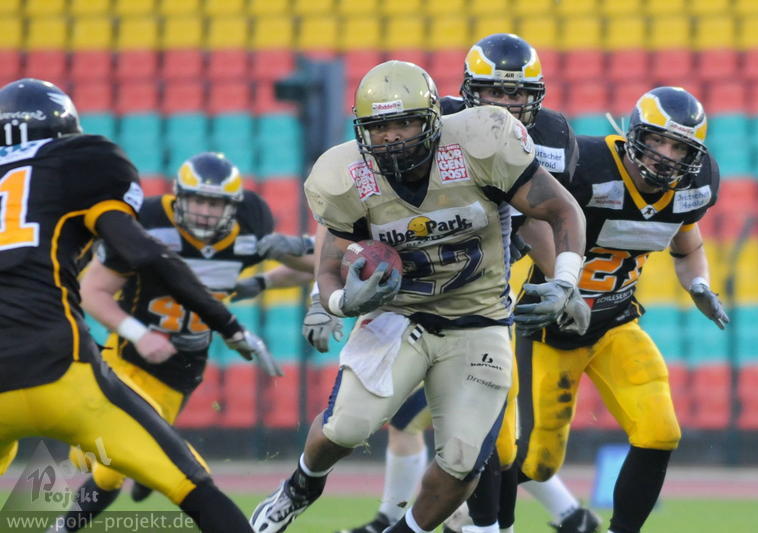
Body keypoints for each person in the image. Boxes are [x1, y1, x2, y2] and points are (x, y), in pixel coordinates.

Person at [250, 60, 588, 533]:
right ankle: (300, 487)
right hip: (398, 313)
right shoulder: (344, 173)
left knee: (463, 462)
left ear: (432, 119)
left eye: (405, 123)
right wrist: (339, 304)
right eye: (380, 127)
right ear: (362, 130)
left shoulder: (481, 141)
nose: (392, 138)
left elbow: (560, 210)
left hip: (479, 318)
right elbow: (328, 264)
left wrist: (566, 282)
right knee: (346, 427)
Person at [0, 79, 266, 532]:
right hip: (60, 370)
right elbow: (144, 253)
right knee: (192, 483)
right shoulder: (81, 159)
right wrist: (227, 324)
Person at [53, 151, 314, 530]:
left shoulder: (248, 232)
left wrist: (263, 281)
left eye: (216, 203)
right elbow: (93, 291)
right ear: (179, 198)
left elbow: (319, 262)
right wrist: (139, 334)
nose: (206, 212)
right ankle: (66, 525)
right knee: (106, 464)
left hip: (183, 370)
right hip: (128, 360)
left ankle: (141, 472)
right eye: (198, 200)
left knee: (121, 456)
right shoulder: (149, 224)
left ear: (233, 206)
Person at [515, 86, 728, 533]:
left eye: (679, 147)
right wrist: (563, 283)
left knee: (660, 431)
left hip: (615, 322)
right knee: (535, 461)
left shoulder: (693, 187)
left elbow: (687, 246)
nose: (666, 156)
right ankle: (469, 514)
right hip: (552, 329)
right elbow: (531, 222)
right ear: (635, 134)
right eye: (658, 140)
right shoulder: (587, 165)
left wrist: (699, 284)